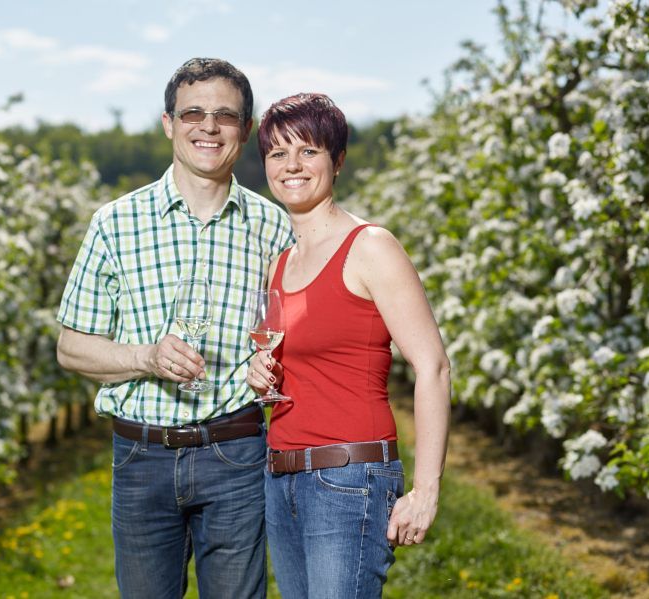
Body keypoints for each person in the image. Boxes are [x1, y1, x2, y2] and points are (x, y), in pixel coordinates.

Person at [56, 58, 293, 599]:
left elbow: (295, 332)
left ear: (246, 129)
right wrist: (144, 357)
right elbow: (71, 348)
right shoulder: (114, 223)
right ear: (168, 123)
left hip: (236, 452)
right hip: (141, 458)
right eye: (193, 112)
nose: (208, 127)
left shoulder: (275, 225)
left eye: (225, 116)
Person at [246, 93, 451, 599]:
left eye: (308, 151)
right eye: (277, 153)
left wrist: (426, 491)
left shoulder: (370, 246)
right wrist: (260, 371)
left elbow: (433, 367)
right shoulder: (280, 263)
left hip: (348, 479)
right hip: (282, 479)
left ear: (336, 161)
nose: (291, 165)